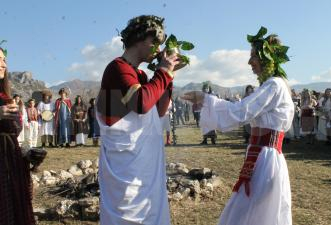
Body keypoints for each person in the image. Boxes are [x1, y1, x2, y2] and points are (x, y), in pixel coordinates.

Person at [183, 27, 294, 225]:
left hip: (266, 157)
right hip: (260, 155)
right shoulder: (270, 85)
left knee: (251, 211)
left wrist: (207, 100)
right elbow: (242, 111)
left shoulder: (274, 85)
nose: (249, 62)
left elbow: (241, 112)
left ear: (268, 58)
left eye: (254, 56)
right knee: (249, 210)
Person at [95, 15, 182, 225]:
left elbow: (159, 110)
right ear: (141, 39)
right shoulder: (117, 68)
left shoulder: (140, 75)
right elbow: (141, 102)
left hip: (143, 165)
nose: (157, 49)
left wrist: (168, 77)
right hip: (126, 166)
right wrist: (162, 72)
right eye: (155, 43)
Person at [0, 46, 35, 224]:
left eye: (4, 59)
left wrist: (27, 155)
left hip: (10, 162)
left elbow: (13, 134)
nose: (3, 64)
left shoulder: (5, 96)